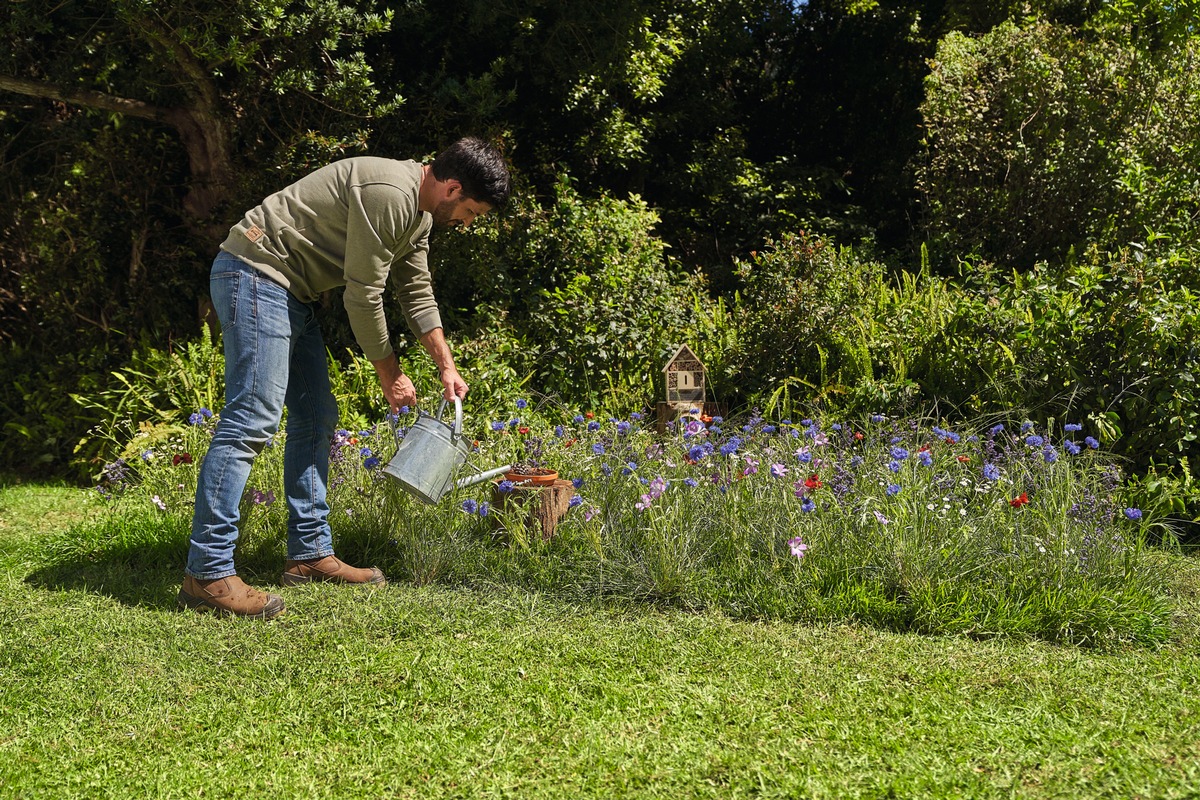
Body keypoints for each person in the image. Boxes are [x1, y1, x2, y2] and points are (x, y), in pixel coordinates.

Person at [177, 136, 510, 619]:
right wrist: (390, 374)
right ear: (453, 187)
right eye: (472, 212)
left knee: (316, 417)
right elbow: (363, 296)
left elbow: (415, 288)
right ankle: (206, 571)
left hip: (292, 291)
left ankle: (309, 554)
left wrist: (445, 365)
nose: (467, 223)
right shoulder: (389, 193)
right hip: (256, 272)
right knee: (253, 418)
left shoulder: (417, 212)